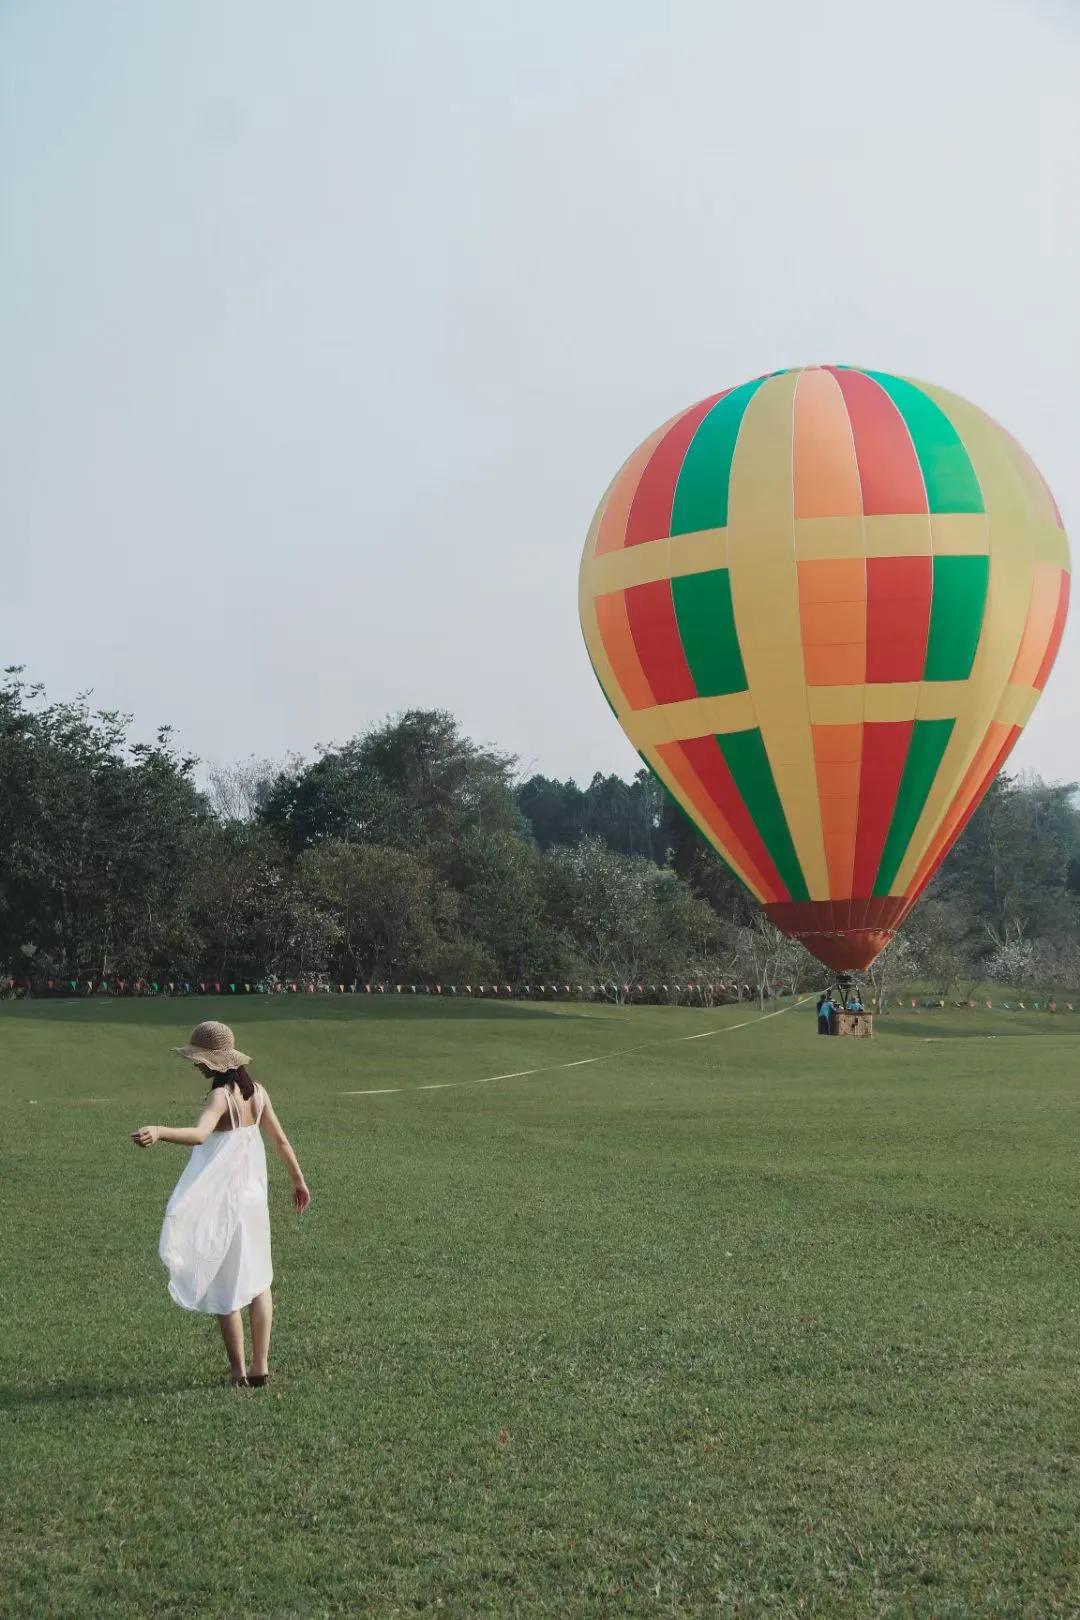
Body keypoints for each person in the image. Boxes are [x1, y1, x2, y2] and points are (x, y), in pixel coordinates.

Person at [131, 1020, 310, 1389]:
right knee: (259, 1278)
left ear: (213, 1062)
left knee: (226, 1283)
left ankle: (238, 1372)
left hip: (227, 1200)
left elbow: (200, 1135)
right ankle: (260, 1367)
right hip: (254, 1198)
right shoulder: (258, 1093)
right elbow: (280, 1141)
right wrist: (298, 1180)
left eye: (199, 1060)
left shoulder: (219, 1097)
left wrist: (160, 1131)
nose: (197, 1065)